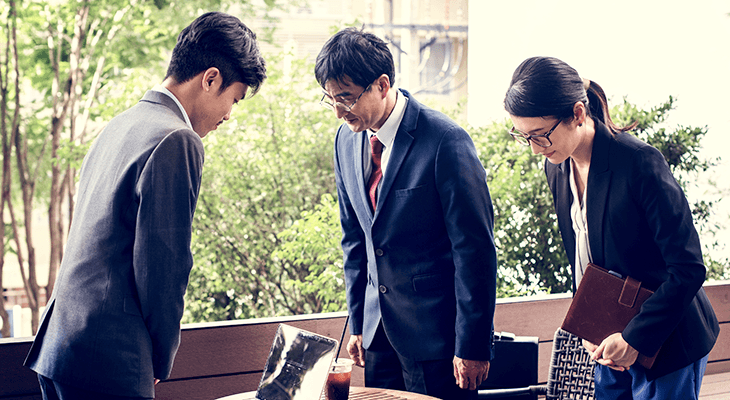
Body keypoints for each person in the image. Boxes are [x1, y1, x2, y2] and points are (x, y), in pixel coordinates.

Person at [23, 12, 266, 400]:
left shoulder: (121, 124)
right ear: (210, 78)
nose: (228, 116)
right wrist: (157, 356)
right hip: (111, 358)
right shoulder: (177, 138)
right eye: (233, 99)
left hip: (63, 347)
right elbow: (163, 265)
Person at [504, 56, 719, 399]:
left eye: (540, 136)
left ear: (577, 114)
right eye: (523, 136)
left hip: (666, 340)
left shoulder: (639, 163)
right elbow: (588, 260)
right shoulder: (557, 167)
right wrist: (593, 326)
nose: (534, 149)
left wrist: (635, 337)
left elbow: (688, 268)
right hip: (607, 340)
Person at [315, 27, 498, 400]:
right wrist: (358, 322)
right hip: (378, 335)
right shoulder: (346, 139)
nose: (338, 111)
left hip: (439, 340)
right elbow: (354, 240)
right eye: (330, 99)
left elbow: (475, 250)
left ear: (382, 85)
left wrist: (473, 345)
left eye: (346, 98)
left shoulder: (446, 140)